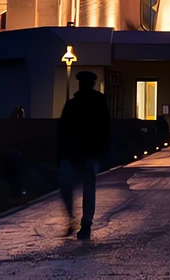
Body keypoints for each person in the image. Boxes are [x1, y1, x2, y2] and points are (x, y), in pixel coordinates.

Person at [57, 71, 110, 240]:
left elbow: (63, 130)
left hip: (83, 152)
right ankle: (80, 222)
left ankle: (82, 223)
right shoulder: (90, 104)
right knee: (79, 186)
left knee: (76, 185)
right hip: (81, 152)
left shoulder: (78, 104)